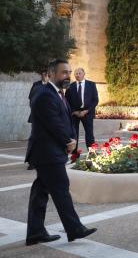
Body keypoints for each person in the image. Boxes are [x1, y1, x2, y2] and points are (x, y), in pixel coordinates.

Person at [26, 58, 97, 246]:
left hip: (49, 152)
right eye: (64, 72)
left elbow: (64, 120)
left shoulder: (58, 93)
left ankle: (35, 232)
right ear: (51, 74)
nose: (68, 76)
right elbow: (53, 123)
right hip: (47, 153)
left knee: (41, 191)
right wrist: (68, 141)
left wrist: (71, 138)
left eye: (69, 72)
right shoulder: (44, 94)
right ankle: (75, 229)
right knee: (60, 188)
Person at [65, 68, 99, 157]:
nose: (77, 75)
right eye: (76, 73)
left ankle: (92, 153)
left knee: (89, 134)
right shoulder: (70, 86)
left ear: (84, 74)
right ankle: (74, 154)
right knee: (74, 134)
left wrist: (87, 110)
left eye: (79, 73)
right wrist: (74, 111)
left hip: (87, 112)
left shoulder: (91, 85)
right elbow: (66, 101)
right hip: (74, 114)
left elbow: (95, 100)